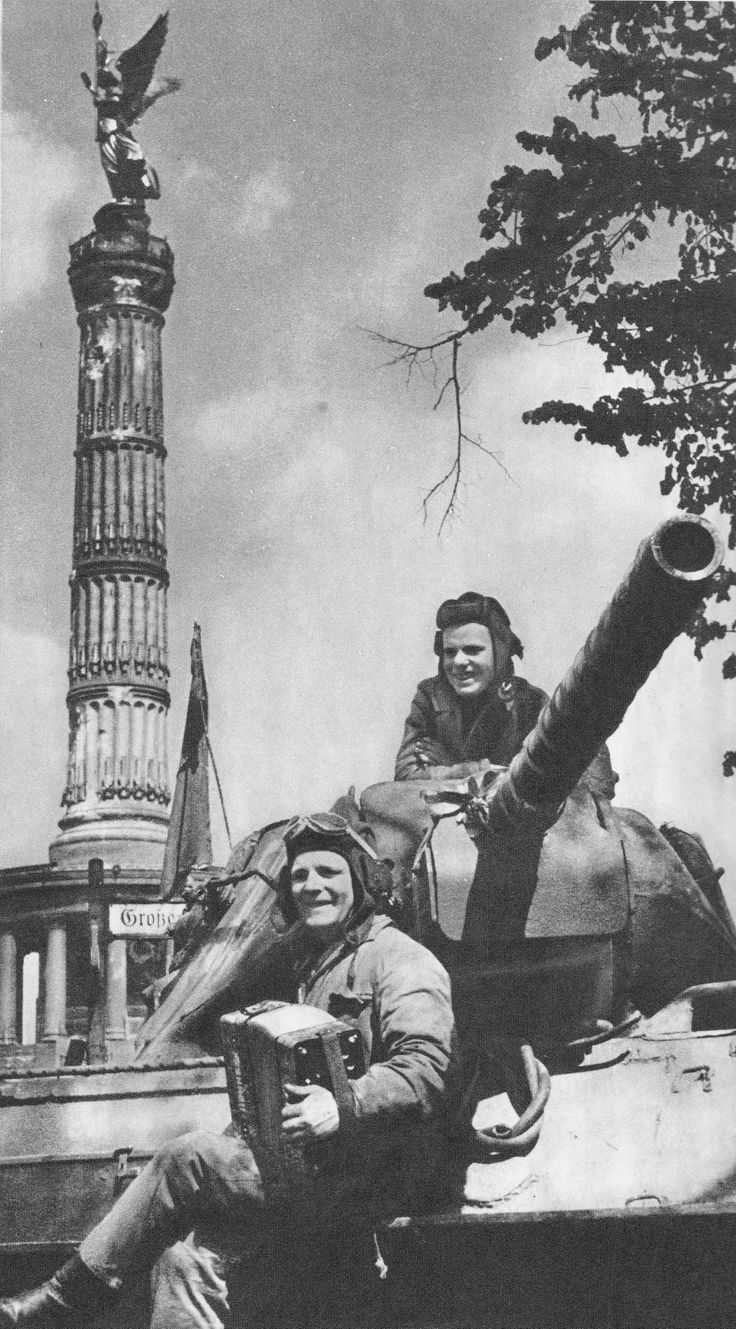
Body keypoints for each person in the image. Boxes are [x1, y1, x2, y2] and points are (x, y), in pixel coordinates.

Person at [0, 815, 455, 1329]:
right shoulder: (315, 965)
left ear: (361, 883)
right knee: (184, 1262)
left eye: (328, 872)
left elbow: (426, 1068)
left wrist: (342, 1103)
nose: (311, 886)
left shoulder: (400, 960)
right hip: (314, 1175)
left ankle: (64, 1301)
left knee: (186, 1157)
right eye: (300, 876)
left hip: (370, 1177)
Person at [394, 591, 616, 798]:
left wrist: (460, 767)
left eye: (472, 650)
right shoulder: (430, 696)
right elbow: (406, 777)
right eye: (449, 652)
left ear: (499, 653)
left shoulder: (531, 702)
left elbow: (566, 775)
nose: (458, 662)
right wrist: (474, 770)